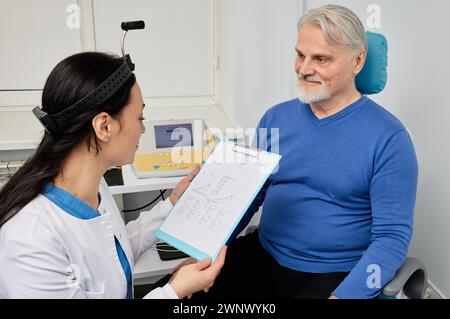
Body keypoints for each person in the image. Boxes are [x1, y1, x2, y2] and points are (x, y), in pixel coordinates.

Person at [199, 4, 418, 299]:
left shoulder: (390, 139)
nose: (303, 69)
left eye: (321, 59)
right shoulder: (275, 119)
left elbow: (391, 239)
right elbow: (248, 197)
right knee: (182, 296)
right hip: (263, 256)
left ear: (357, 61)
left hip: (333, 275)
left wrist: (346, 296)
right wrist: (207, 251)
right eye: (300, 55)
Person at [0, 52, 226, 299]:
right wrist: (175, 291)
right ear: (104, 127)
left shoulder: (93, 186)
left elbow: (111, 250)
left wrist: (171, 205)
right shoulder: (30, 239)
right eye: (139, 117)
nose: (143, 129)